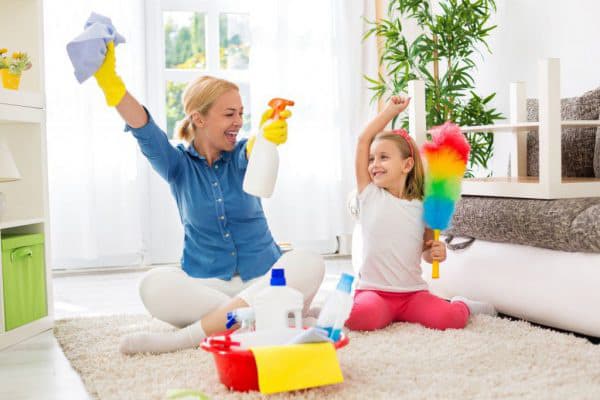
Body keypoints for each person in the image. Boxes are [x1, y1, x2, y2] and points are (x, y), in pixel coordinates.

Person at [91, 41, 325, 354]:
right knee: (153, 285)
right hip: (209, 285)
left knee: (309, 262)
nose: (239, 121)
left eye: (241, 113)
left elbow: (253, 149)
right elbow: (143, 128)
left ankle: (186, 338)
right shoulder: (177, 165)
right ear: (199, 119)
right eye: (229, 114)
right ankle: (269, 320)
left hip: (268, 278)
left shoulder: (242, 154)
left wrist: (265, 136)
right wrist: (111, 82)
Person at [345, 95, 496, 332]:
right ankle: (362, 307)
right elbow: (363, 140)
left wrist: (436, 252)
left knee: (451, 320)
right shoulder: (369, 194)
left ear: (407, 165)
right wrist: (389, 112)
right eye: (372, 159)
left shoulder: (423, 206)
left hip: (412, 294)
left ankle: (465, 306)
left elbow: (426, 253)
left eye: (383, 157)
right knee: (358, 318)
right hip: (374, 291)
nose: (374, 164)